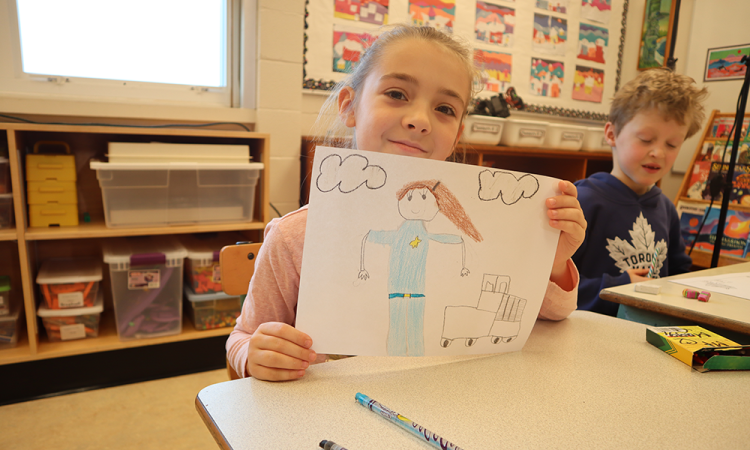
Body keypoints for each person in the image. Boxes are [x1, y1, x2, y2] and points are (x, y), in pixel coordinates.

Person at [227, 24, 586, 381]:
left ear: (457, 134)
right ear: (350, 107)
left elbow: (555, 315)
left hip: (446, 400)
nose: (419, 121)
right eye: (397, 94)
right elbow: (241, 338)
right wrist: (254, 355)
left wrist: (553, 261)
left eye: (445, 108)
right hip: (332, 417)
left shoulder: (488, 231)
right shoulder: (294, 236)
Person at [573, 68, 708, 317]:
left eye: (672, 144)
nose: (658, 152)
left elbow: (679, 273)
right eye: (645, 139)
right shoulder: (581, 201)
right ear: (611, 134)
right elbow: (551, 284)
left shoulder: (666, 208)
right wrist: (619, 287)